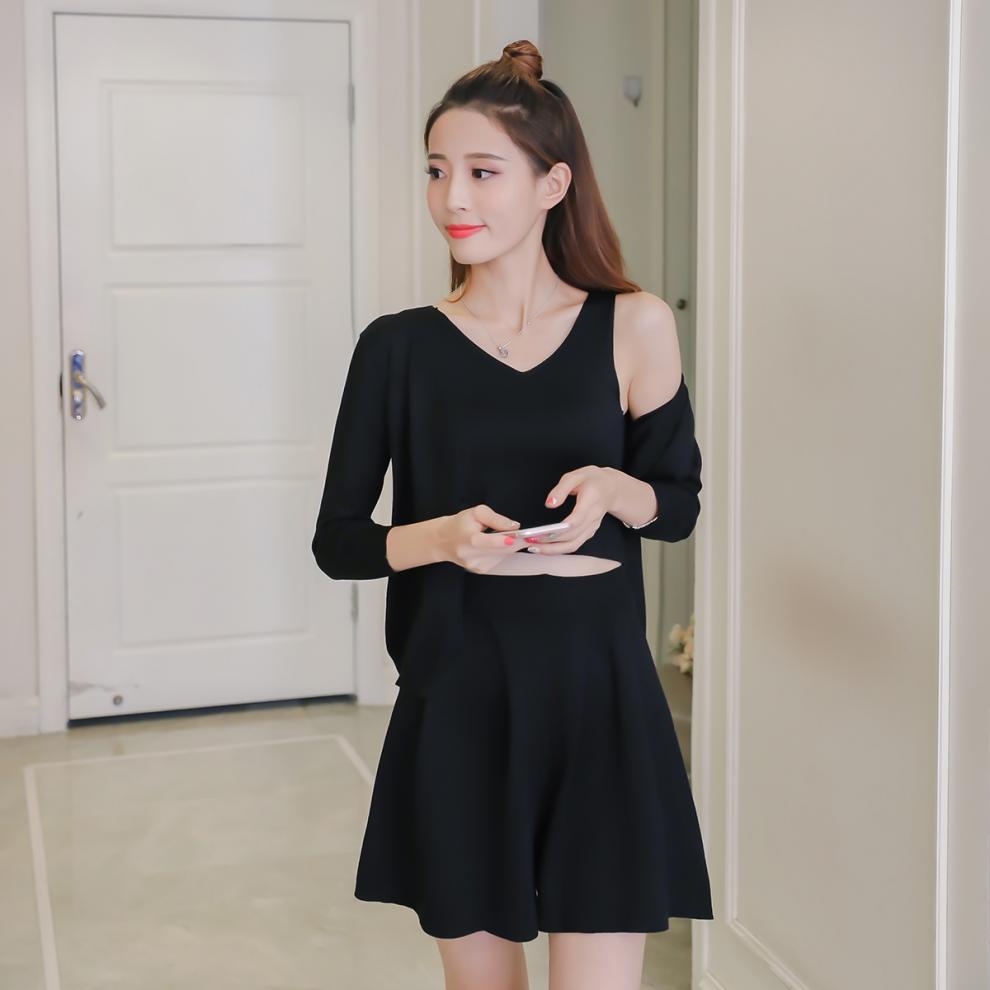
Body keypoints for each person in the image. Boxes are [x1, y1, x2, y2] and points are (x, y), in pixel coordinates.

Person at [312, 39, 713, 990]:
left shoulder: (634, 323)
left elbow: (676, 505)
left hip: (600, 701)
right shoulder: (397, 349)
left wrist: (615, 489)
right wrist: (442, 538)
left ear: (551, 184)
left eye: (483, 172)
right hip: (459, 699)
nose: (452, 197)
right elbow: (339, 542)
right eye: (436, 171)